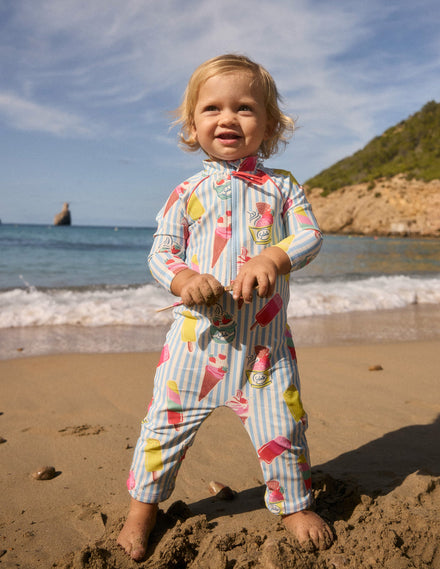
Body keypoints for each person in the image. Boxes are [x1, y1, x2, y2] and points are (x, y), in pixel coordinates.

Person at [118, 53, 333, 561]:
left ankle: (294, 502)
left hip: (265, 351)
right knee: (162, 430)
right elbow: (160, 254)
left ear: (271, 123)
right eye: (212, 108)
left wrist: (275, 256)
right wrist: (184, 277)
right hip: (194, 349)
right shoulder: (186, 192)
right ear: (193, 126)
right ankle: (141, 510)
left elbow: (310, 234)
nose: (228, 118)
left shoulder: (283, 186)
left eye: (245, 108)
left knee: (284, 428)